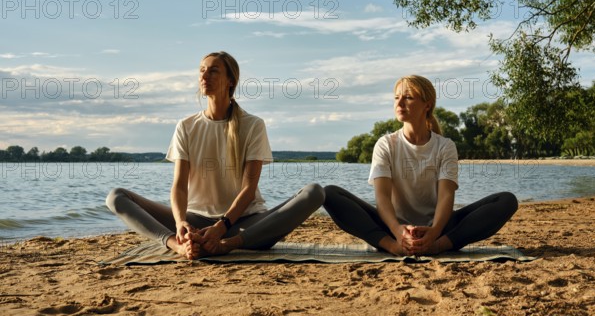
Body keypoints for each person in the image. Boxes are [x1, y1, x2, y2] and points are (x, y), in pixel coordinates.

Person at [106, 51, 325, 259]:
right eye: (202, 70)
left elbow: (249, 190)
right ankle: (178, 246)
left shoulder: (253, 125)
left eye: (213, 71)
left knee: (314, 192)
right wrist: (181, 222)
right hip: (196, 222)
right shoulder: (186, 126)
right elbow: (180, 185)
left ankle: (229, 245)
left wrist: (222, 228)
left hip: (243, 224)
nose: (204, 75)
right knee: (116, 197)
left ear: (231, 81)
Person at [323, 75, 518, 256]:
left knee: (506, 200)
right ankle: (393, 247)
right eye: (396, 97)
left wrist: (434, 235)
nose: (399, 103)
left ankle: (436, 247)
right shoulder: (386, 144)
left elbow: (446, 197)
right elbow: (382, 197)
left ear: (427, 104)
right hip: (392, 228)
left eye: (407, 97)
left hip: (441, 229)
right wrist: (398, 233)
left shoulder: (445, 146)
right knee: (329, 193)